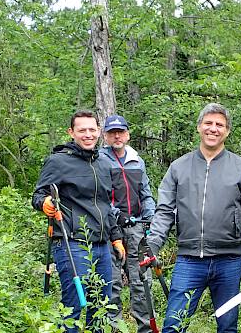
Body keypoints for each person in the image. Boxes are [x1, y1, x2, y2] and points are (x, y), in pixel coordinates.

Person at [147, 103, 241, 333]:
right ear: (199, 127)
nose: (213, 129)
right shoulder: (178, 168)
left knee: (227, 327)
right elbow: (164, 211)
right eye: (208, 123)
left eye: (219, 125)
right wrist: (152, 246)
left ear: (227, 131)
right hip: (189, 260)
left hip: (229, 260)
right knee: (174, 325)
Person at [31, 110, 125, 333]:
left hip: (101, 246)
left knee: (100, 308)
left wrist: (116, 238)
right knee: (72, 307)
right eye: (82, 130)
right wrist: (44, 203)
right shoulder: (58, 161)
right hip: (71, 243)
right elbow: (38, 195)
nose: (88, 134)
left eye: (92, 130)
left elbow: (105, 205)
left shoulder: (103, 163)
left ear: (99, 132)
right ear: (71, 132)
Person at [99, 114, 157, 333]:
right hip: (108, 230)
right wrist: (116, 214)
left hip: (136, 230)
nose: (117, 136)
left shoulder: (137, 160)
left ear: (127, 135)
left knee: (142, 281)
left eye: (120, 132)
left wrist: (151, 215)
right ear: (105, 135)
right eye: (112, 132)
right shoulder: (99, 159)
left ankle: (145, 328)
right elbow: (99, 196)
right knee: (111, 282)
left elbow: (146, 193)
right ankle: (113, 328)